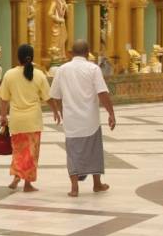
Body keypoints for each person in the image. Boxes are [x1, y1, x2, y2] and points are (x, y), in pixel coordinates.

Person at [49, 40, 116, 197]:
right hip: (90, 119)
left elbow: (56, 96)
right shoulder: (93, 69)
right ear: (88, 53)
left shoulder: (61, 70)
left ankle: (74, 188)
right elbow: (102, 93)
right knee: (94, 150)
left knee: (73, 152)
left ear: (71, 53)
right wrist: (111, 113)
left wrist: (61, 111)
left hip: (71, 119)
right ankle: (97, 183)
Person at [0, 44, 61, 192]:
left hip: (16, 120)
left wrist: (2, 115)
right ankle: (27, 184)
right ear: (32, 57)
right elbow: (48, 97)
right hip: (33, 120)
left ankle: (16, 176)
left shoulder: (9, 74)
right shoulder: (39, 75)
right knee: (31, 153)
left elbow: (3, 99)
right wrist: (55, 111)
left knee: (18, 150)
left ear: (17, 57)